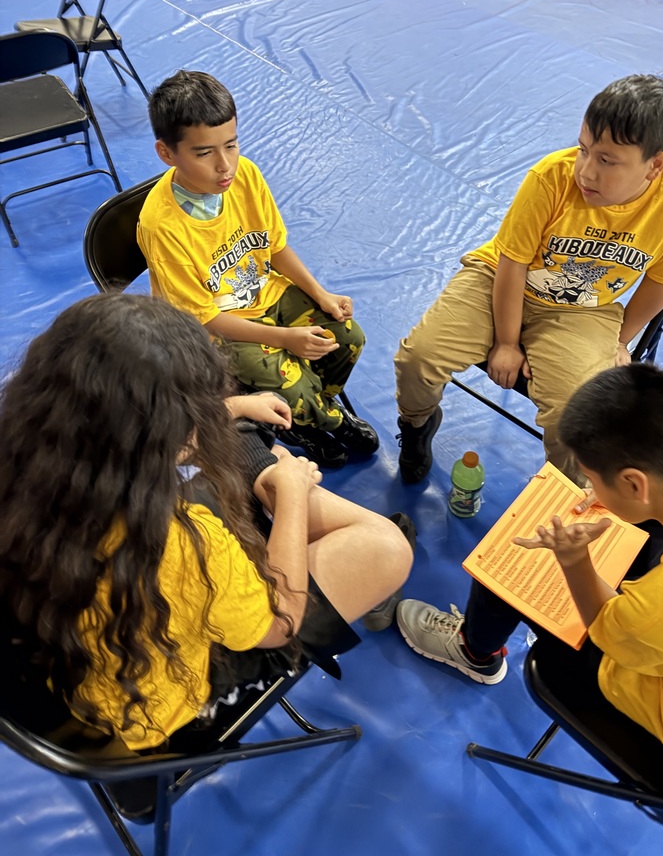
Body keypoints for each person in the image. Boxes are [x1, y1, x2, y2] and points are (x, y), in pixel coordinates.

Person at [0, 293, 414, 751]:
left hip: (66, 657)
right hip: (162, 710)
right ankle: (347, 561)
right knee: (383, 543)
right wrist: (293, 494)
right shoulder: (180, 540)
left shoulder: (27, 449)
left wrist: (234, 410)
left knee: (247, 449)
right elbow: (281, 623)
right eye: (195, 416)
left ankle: (274, 478)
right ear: (162, 436)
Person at [396, 364, 663, 783]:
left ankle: (475, 653)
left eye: (592, 479)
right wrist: (619, 497)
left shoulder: (662, 608)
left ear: (634, 485)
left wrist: (574, 558)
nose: (589, 487)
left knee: (509, 570)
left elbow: (609, 630)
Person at [394, 74, 663, 485]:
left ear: (655, 165)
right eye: (583, 150)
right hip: (500, 281)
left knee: (579, 418)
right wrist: (507, 343)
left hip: (584, 309)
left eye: (606, 160)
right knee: (418, 357)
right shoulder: (551, 177)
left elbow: (661, 282)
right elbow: (512, 263)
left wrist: (620, 340)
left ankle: (559, 495)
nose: (586, 172)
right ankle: (417, 425)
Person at [138, 69, 378, 469]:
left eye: (231, 145)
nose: (224, 165)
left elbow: (276, 246)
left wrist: (321, 295)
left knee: (347, 336)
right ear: (167, 153)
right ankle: (318, 421)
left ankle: (309, 413)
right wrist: (285, 338)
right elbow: (209, 319)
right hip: (217, 332)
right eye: (204, 153)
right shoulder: (161, 226)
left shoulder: (244, 174)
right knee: (295, 385)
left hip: (267, 295)